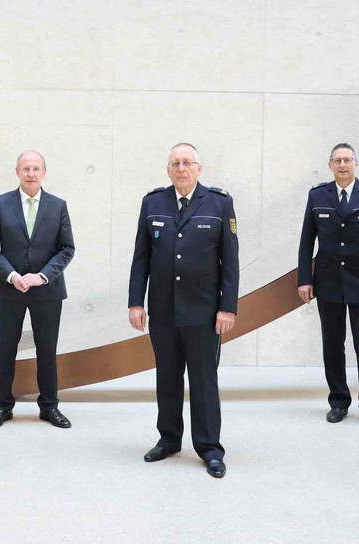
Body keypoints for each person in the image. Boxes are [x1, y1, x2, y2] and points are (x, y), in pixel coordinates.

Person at [128, 142, 238, 478]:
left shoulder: (219, 203)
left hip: (204, 312)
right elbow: (141, 257)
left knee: (204, 380)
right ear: (168, 169)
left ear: (199, 169)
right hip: (163, 310)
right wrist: (136, 302)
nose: (181, 168)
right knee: (168, 377)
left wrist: (227, 308)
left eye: (187, 163)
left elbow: (230, 262)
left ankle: (209, 448)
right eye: (175, 163)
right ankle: (169, 439)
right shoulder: (153, 202)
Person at [297, 143, 359, 430]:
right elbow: (306, 241)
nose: (342, 165)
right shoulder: (317, 195)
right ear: (330, 166)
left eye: (347, 160)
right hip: (328, 284)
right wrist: (304, 279)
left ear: (355, 164)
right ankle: (338, 401)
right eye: (337, 160)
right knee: (333, 345)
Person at [0, 150, 75, 430]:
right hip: (9, 290)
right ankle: (2, 407)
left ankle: (49, 407)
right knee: (5, 349)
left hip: (47, 290)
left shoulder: (58, 206)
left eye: (36, 168)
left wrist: (43, 276)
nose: (31, 173)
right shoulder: (1, 204)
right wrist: (11, 275)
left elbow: (67, 248)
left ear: (44, 172)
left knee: (47, 350)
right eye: (26, 169)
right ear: (17, 172)